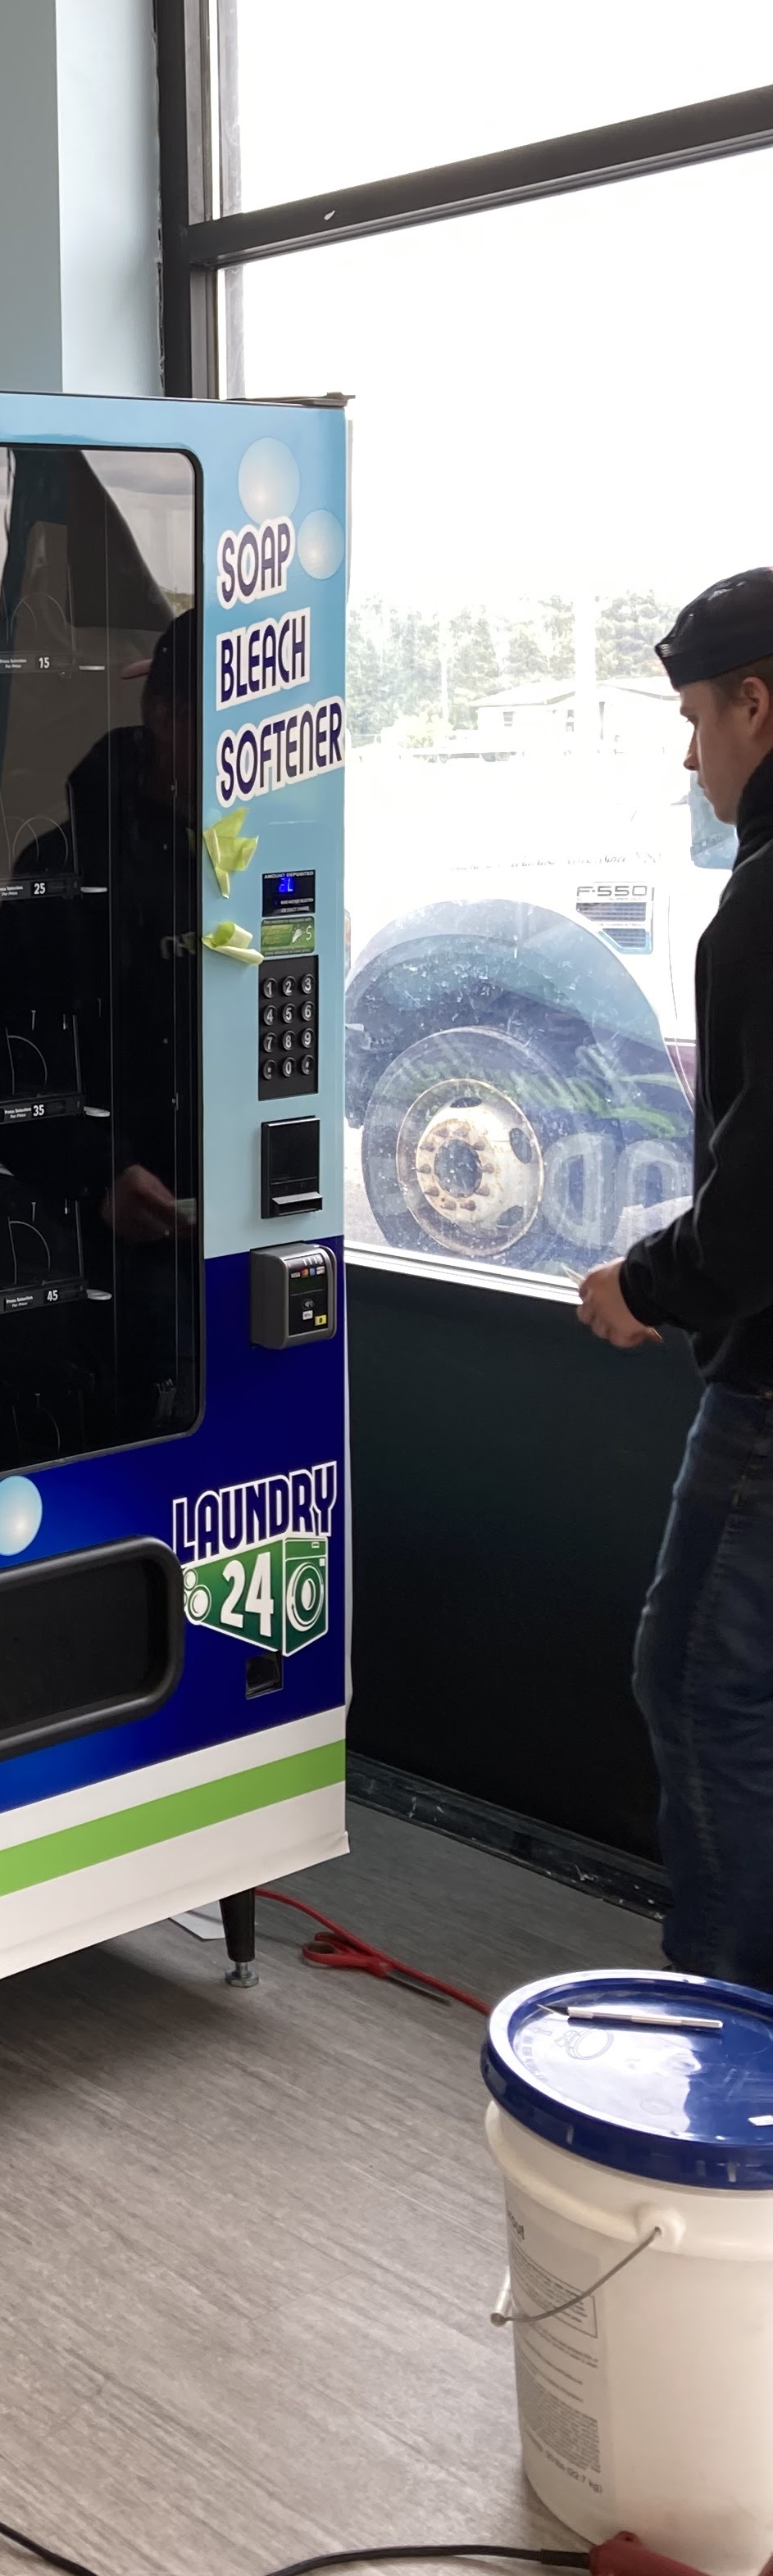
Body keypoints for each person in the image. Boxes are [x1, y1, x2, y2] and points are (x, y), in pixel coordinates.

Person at [578, 566, 773, 1988]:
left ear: (756, 706)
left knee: (697, 1684)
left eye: (697, 720)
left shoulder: (762, 907)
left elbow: (759, 1210)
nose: (691, 757)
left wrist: (644, 1287)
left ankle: (729, 2044)